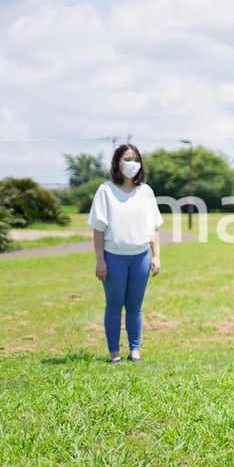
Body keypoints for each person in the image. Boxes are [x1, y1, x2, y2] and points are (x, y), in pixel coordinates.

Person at [88, 144, 163, 364]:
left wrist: (156, 255)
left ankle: (135, 350)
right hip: (114, 258)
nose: (132, 163)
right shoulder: (105, 191)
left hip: (140, 257)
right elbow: (98, 229)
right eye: (127, 159)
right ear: (117, 163)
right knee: (114, 305)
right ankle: (114, 353)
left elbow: (154, 227)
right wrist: (100, 260)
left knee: (135, 307)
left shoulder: (146, 192)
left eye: (135, 159)